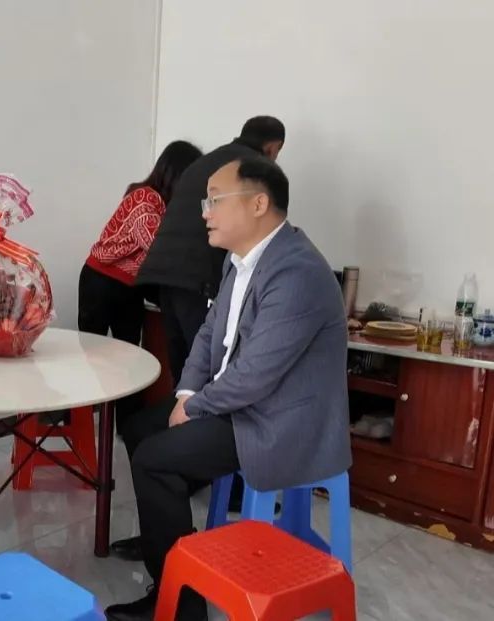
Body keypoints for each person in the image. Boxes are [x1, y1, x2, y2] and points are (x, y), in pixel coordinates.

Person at [104, 156, 351, 621]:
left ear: (258, 204)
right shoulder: (239, 263)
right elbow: (208, 335)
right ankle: (167, 536)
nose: (205, 212)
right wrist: (185, 395)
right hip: (243, 405)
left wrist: (197, 407)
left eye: (215, 200)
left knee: (155, 461)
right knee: (139, 430)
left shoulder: (297, 272)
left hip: (279, 421)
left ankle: (180, 605)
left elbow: (256, 374)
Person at [135, 117, 286, 385]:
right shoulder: (252, 171)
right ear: (273, 147)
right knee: (207, 366)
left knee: (183, 368)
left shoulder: (205, 162)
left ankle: (183, 407)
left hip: (163, 275)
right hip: (199, 277)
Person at [78, 140, 203, 346]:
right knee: (92, 349)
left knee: (129, 353)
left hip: (130, 286)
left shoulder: (164, 205)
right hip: (103, 280)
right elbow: (155, 247)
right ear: (177, 173)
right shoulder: (145, 196)